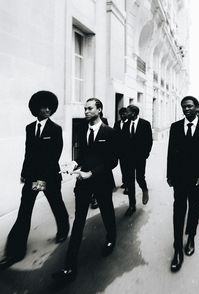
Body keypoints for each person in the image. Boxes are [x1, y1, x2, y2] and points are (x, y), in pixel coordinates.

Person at [0, 91, 69, 270]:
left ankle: (63, 230)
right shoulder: (30, 128)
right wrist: (24, 173)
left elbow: (54, 156)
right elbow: (28, 153)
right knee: (24, 211)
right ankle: (15, 252)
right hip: (32, 178)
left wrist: (41, 180)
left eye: (49, 107)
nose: (47, 110)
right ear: (36, 108)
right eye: (43, 106)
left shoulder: (56, 129)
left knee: (56, 204)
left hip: (49, 178)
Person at [52, 98, 118, 282]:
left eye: (90, 108)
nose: (86, 111)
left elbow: (113, 161)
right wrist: (73, 163)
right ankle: (69, 267)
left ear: (99, 110)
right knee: (79, 220)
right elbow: (82, 155)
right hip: (82, 183)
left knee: (107, 212)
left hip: (102, 181)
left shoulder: (110, 132)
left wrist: (92, 173)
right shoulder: (82, 130)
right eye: (85, 108)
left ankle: (111, 239)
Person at [167, 96, 199, 272]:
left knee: (193, 209)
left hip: (197, 180)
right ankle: (178, 249)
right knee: (178, 211)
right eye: (183, 107)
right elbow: (171, 153)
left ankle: (191, 238)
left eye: (189, 106)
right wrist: (169, 175)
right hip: (179, 179)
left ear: (196, 108)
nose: (186, 109)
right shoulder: (175, 127)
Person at [123, 105, 153, 217]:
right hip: (128, 159)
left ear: (134, 113)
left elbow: (149, 141)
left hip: (140, 158)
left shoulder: (145, 124)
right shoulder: (126, 125)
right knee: (129, 181)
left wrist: (145, 154)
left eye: (127, 112)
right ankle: (132, 205)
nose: (125, 114)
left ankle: (145, 190)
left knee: (140, 178)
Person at [113, 107, 129, 194]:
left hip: (128, 151)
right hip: (119, 151)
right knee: (122, 167)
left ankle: (128, 185)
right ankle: (124, 182)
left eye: (124, 114)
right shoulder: (117, 123)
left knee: (127, 168)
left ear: (127, 114)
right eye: (121, 114)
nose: (122, 116)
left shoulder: (130, 123)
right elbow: (113, 135)